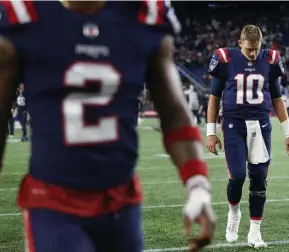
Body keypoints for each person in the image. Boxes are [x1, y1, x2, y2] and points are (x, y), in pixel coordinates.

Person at [0, 1, 215, 252]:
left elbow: (174, 112)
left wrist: (198, 184)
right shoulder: (24, 16)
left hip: (122, 204)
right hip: (52, 202)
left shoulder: (145, 15)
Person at [206, 24, 289, 249]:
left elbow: (277, 98)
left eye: (257, 49)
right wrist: (210, 132)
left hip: (261, 125)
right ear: (240, 44)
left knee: (259, 178)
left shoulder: (270, 59)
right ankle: (233, 215)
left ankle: (255, 232)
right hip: (234, 124)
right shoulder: (225, 58)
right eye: (249, 49)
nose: (254, 53)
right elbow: (214, 97)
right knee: (237, 176)